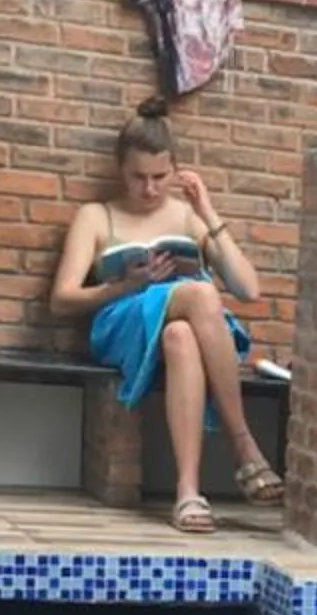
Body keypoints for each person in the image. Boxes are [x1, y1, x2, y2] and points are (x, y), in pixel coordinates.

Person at [52, 99, 285, 534]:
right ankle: (244, 445)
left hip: (186, 325)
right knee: (199, 293)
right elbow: (61, 300)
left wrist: (207, 212)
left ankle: (188, 492)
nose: (148, 188)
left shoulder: (185, 216)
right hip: (122, 322)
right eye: (137, 177)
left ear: (174, 170)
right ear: (121, 169)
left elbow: (248, 289)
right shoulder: (96, 216)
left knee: (180, 335)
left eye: (159, 177)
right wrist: (125, 285)